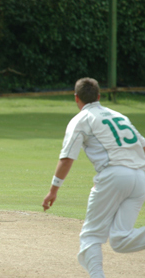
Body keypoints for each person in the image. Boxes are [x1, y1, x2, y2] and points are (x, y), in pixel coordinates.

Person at [42, 77, 145, 277]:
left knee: (91, 236)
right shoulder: (119, 115)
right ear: (99, 96)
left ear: (76, 98)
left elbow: (67, 158)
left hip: (114, 175)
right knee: (120, 240)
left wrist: (53, 190)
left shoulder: (81, 119)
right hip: (140, 178)